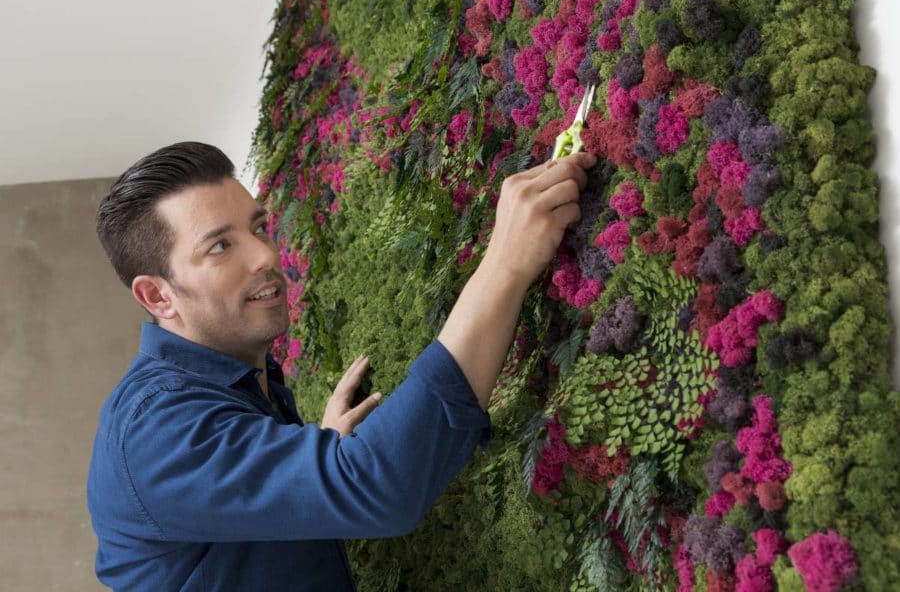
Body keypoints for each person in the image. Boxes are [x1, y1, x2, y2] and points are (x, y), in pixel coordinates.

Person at [87, 141, 596, 590]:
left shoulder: (237, 379)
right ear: (157, 295)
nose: (264, 254)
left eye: (259, 227)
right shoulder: (154, 430)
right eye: (220, 246)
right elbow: (379, 486)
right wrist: (505, 263)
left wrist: (316, 459)